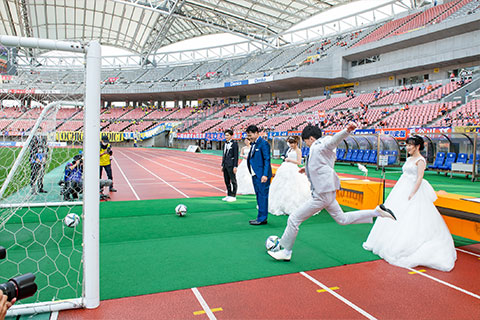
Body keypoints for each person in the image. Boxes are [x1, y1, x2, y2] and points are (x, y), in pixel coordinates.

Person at [267, 123, 396, 261]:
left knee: (294, 219)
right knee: (342, 219)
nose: (307, 145)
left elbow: (333, 140)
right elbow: (322, 162)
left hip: (321, 194)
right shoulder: (320, 148)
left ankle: (286, 251)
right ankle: (377, 212)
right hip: (327, 192)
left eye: (305, 142)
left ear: (310, 138)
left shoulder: (320, 144)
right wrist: (307, 168)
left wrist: (346, 131)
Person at [363, 135, 456, 271]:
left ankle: (408, 244)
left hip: (414, 190)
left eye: (410, 145)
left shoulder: (420, 160)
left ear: (417, 146)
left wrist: (412, 193)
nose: (407, 148)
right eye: (406, 145)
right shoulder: (409, 159)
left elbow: (419, 178)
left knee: (413, 216)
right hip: (401, 189)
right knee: (395, 214)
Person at [268, 136, 311, 215]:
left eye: (292, 143)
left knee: (293, 186)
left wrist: (289, 160)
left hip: (293, 168)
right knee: (282, 186)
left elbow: (299, 162)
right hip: (285, 168)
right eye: (290, 143)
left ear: (296, 143)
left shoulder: (298, 151)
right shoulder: (289, 149)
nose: (291, 145)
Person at [246, 125, 272, 225]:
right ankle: (260, 217)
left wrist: (265, 175)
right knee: (258, 196)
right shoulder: (253, 144)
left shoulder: (263, 144)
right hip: (255, 174)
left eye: (250, 135)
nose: (249, 137)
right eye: (248, 135)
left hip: (262, 176)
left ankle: (262, 218)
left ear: (257, 133)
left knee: (262, 196)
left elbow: (267, 159)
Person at [221, 129, 239, 202]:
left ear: (231, 136)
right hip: (225, 165)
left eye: (228, 135)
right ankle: (229, 194)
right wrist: (222, 165)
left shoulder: (234, 144)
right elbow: (224, 155)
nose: (226, 137)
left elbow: (236, 156)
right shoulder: (224, 144)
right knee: (226, 180)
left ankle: (233, 195)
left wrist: (235, 166)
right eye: (225, 135)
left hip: (231, 165)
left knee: (233, 180)